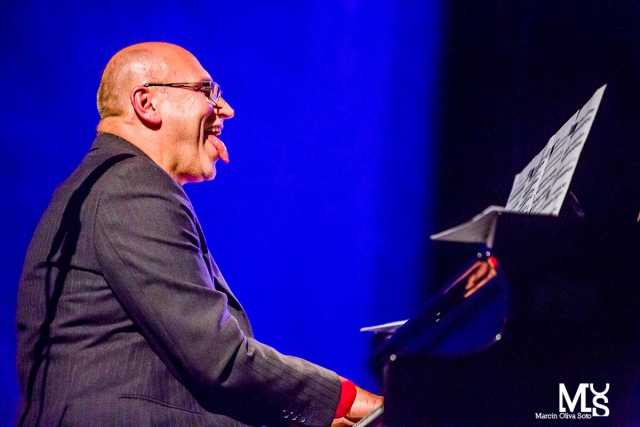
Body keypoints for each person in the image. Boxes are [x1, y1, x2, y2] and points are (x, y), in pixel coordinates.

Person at [16, 42, 382, 427]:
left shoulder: (105, 187)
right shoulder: (132, 187)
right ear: (147, 104)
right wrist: (343, 399)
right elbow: (218, 357)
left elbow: (174, 381)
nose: (226, 109)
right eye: (207, 91)